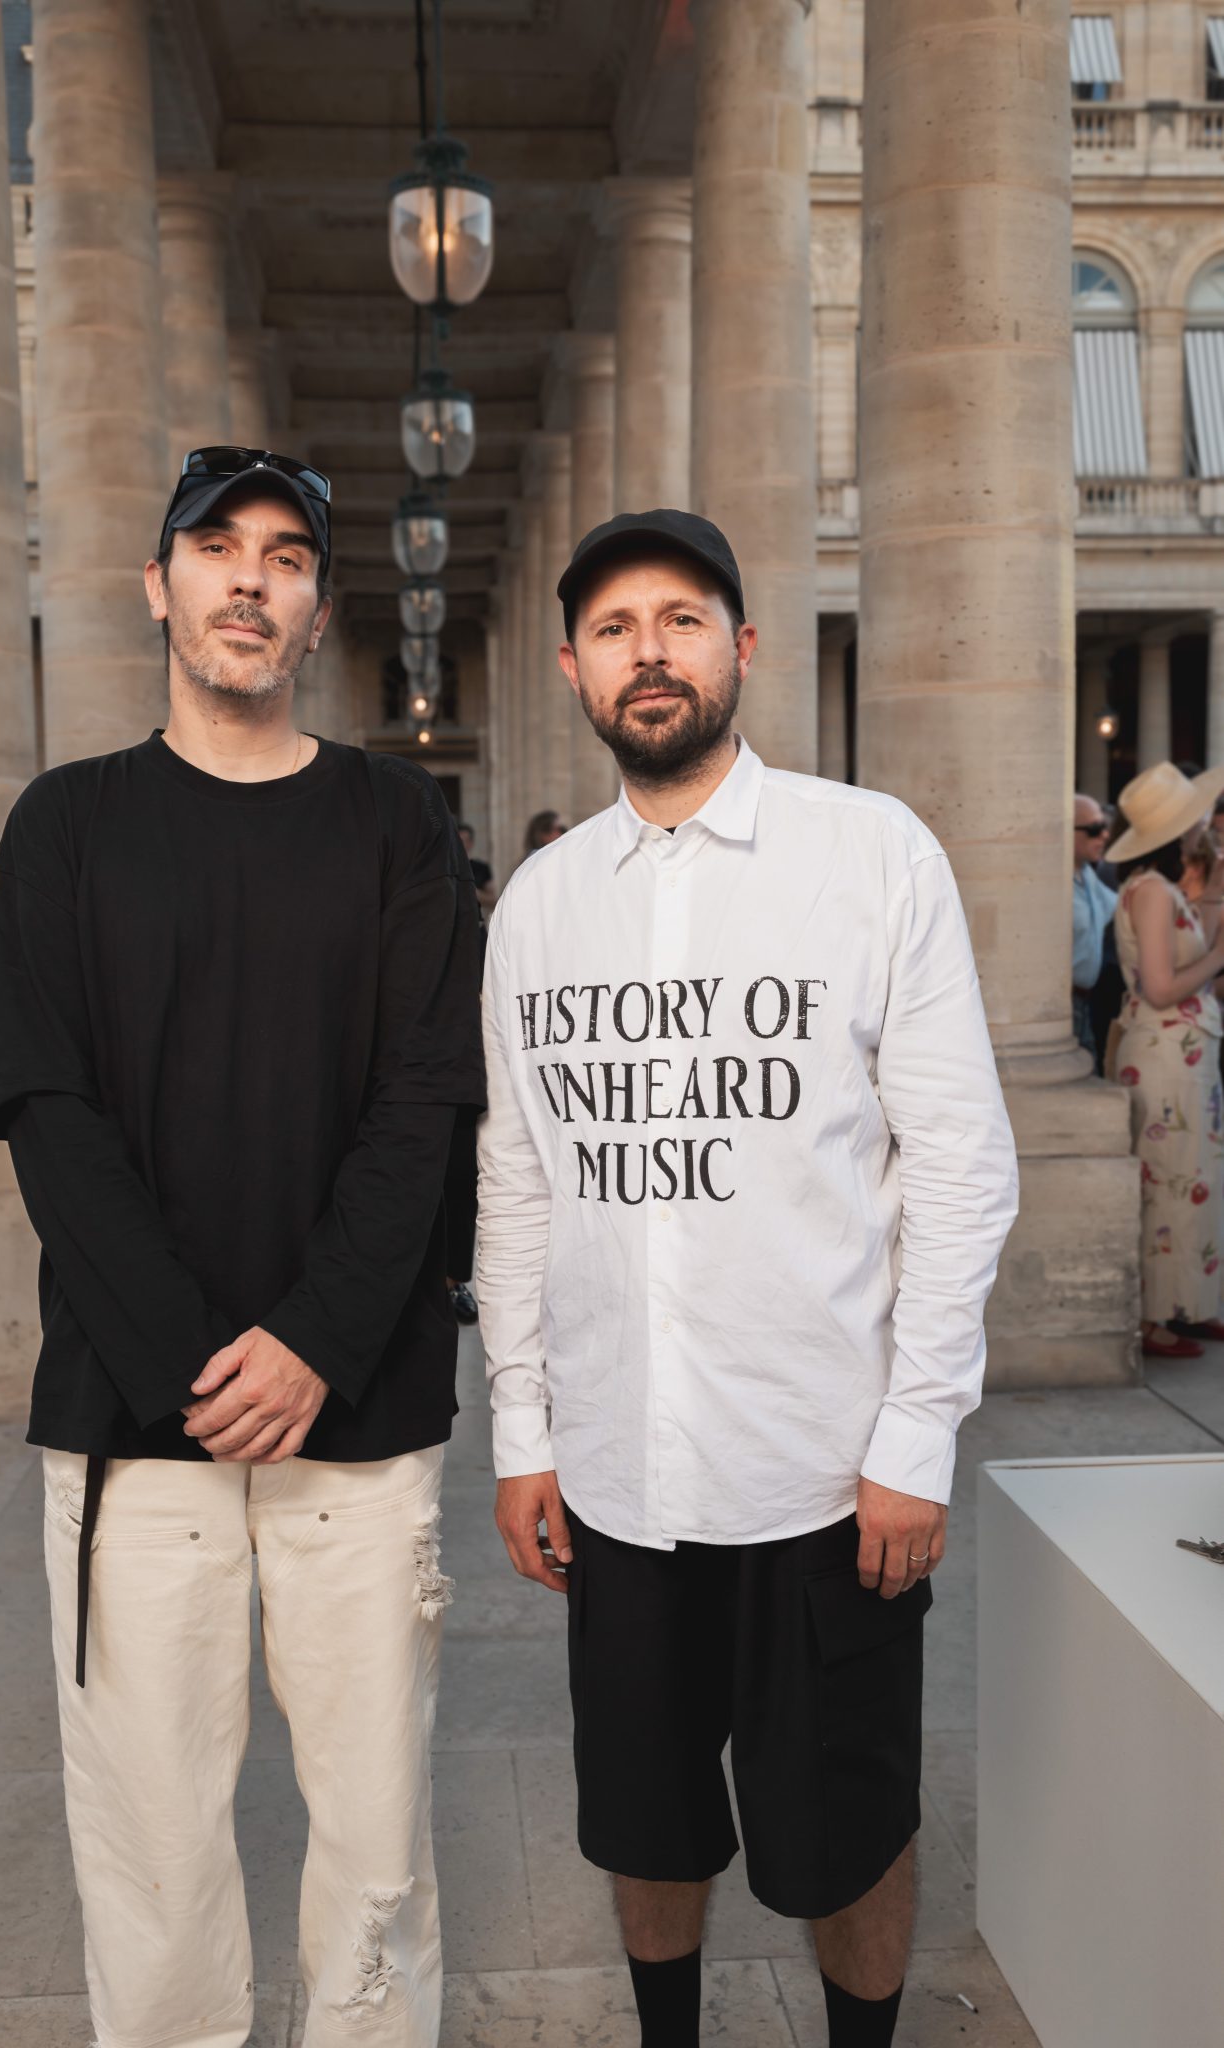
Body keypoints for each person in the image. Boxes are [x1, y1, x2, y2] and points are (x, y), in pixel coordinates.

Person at [476, 509, 1019, 2048]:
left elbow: (958, 1166)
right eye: (611, 627)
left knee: (846, 1823)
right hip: (618, 1474)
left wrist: (914, 1437)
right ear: (572, 665)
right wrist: (522, 1427)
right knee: (644, 1821)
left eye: (681, 618)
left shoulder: (868, 855)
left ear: (739, 647)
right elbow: (516, 1179)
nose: (646, 650)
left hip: (824, 1474)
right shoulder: (539, 908)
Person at [0, 445, 486, 2048]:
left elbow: (426, 1101)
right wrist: (200, 1360)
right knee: (150, 1856)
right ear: (161, 586)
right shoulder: (63, 828)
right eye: (216, 548)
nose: (247, 578)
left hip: (359, 1423)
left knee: (376, 1849)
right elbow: (45, 1108)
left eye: (281, 557)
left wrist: (317, 1342)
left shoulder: (397, 823)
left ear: (317, 609)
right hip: (139, 1429)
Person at [1107, 759, 1224, 1360]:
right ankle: (1156, 1319)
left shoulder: (1166, 886)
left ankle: (1187, 1304)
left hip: (1185, 1055)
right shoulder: (1151, 890)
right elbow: (1159, 986)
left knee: (1193, 1179)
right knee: (1169, 1184)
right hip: (1164, 1055)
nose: (1208, 821)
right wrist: (1219, 957)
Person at [1072, 792, 1116, 1061]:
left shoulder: (1087, 873)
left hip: (1086, 1001)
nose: (1104, 836)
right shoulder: (1052, 882)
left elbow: (1120, 907)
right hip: (1062, 1003)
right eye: (1094, 829)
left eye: (1104, 827)